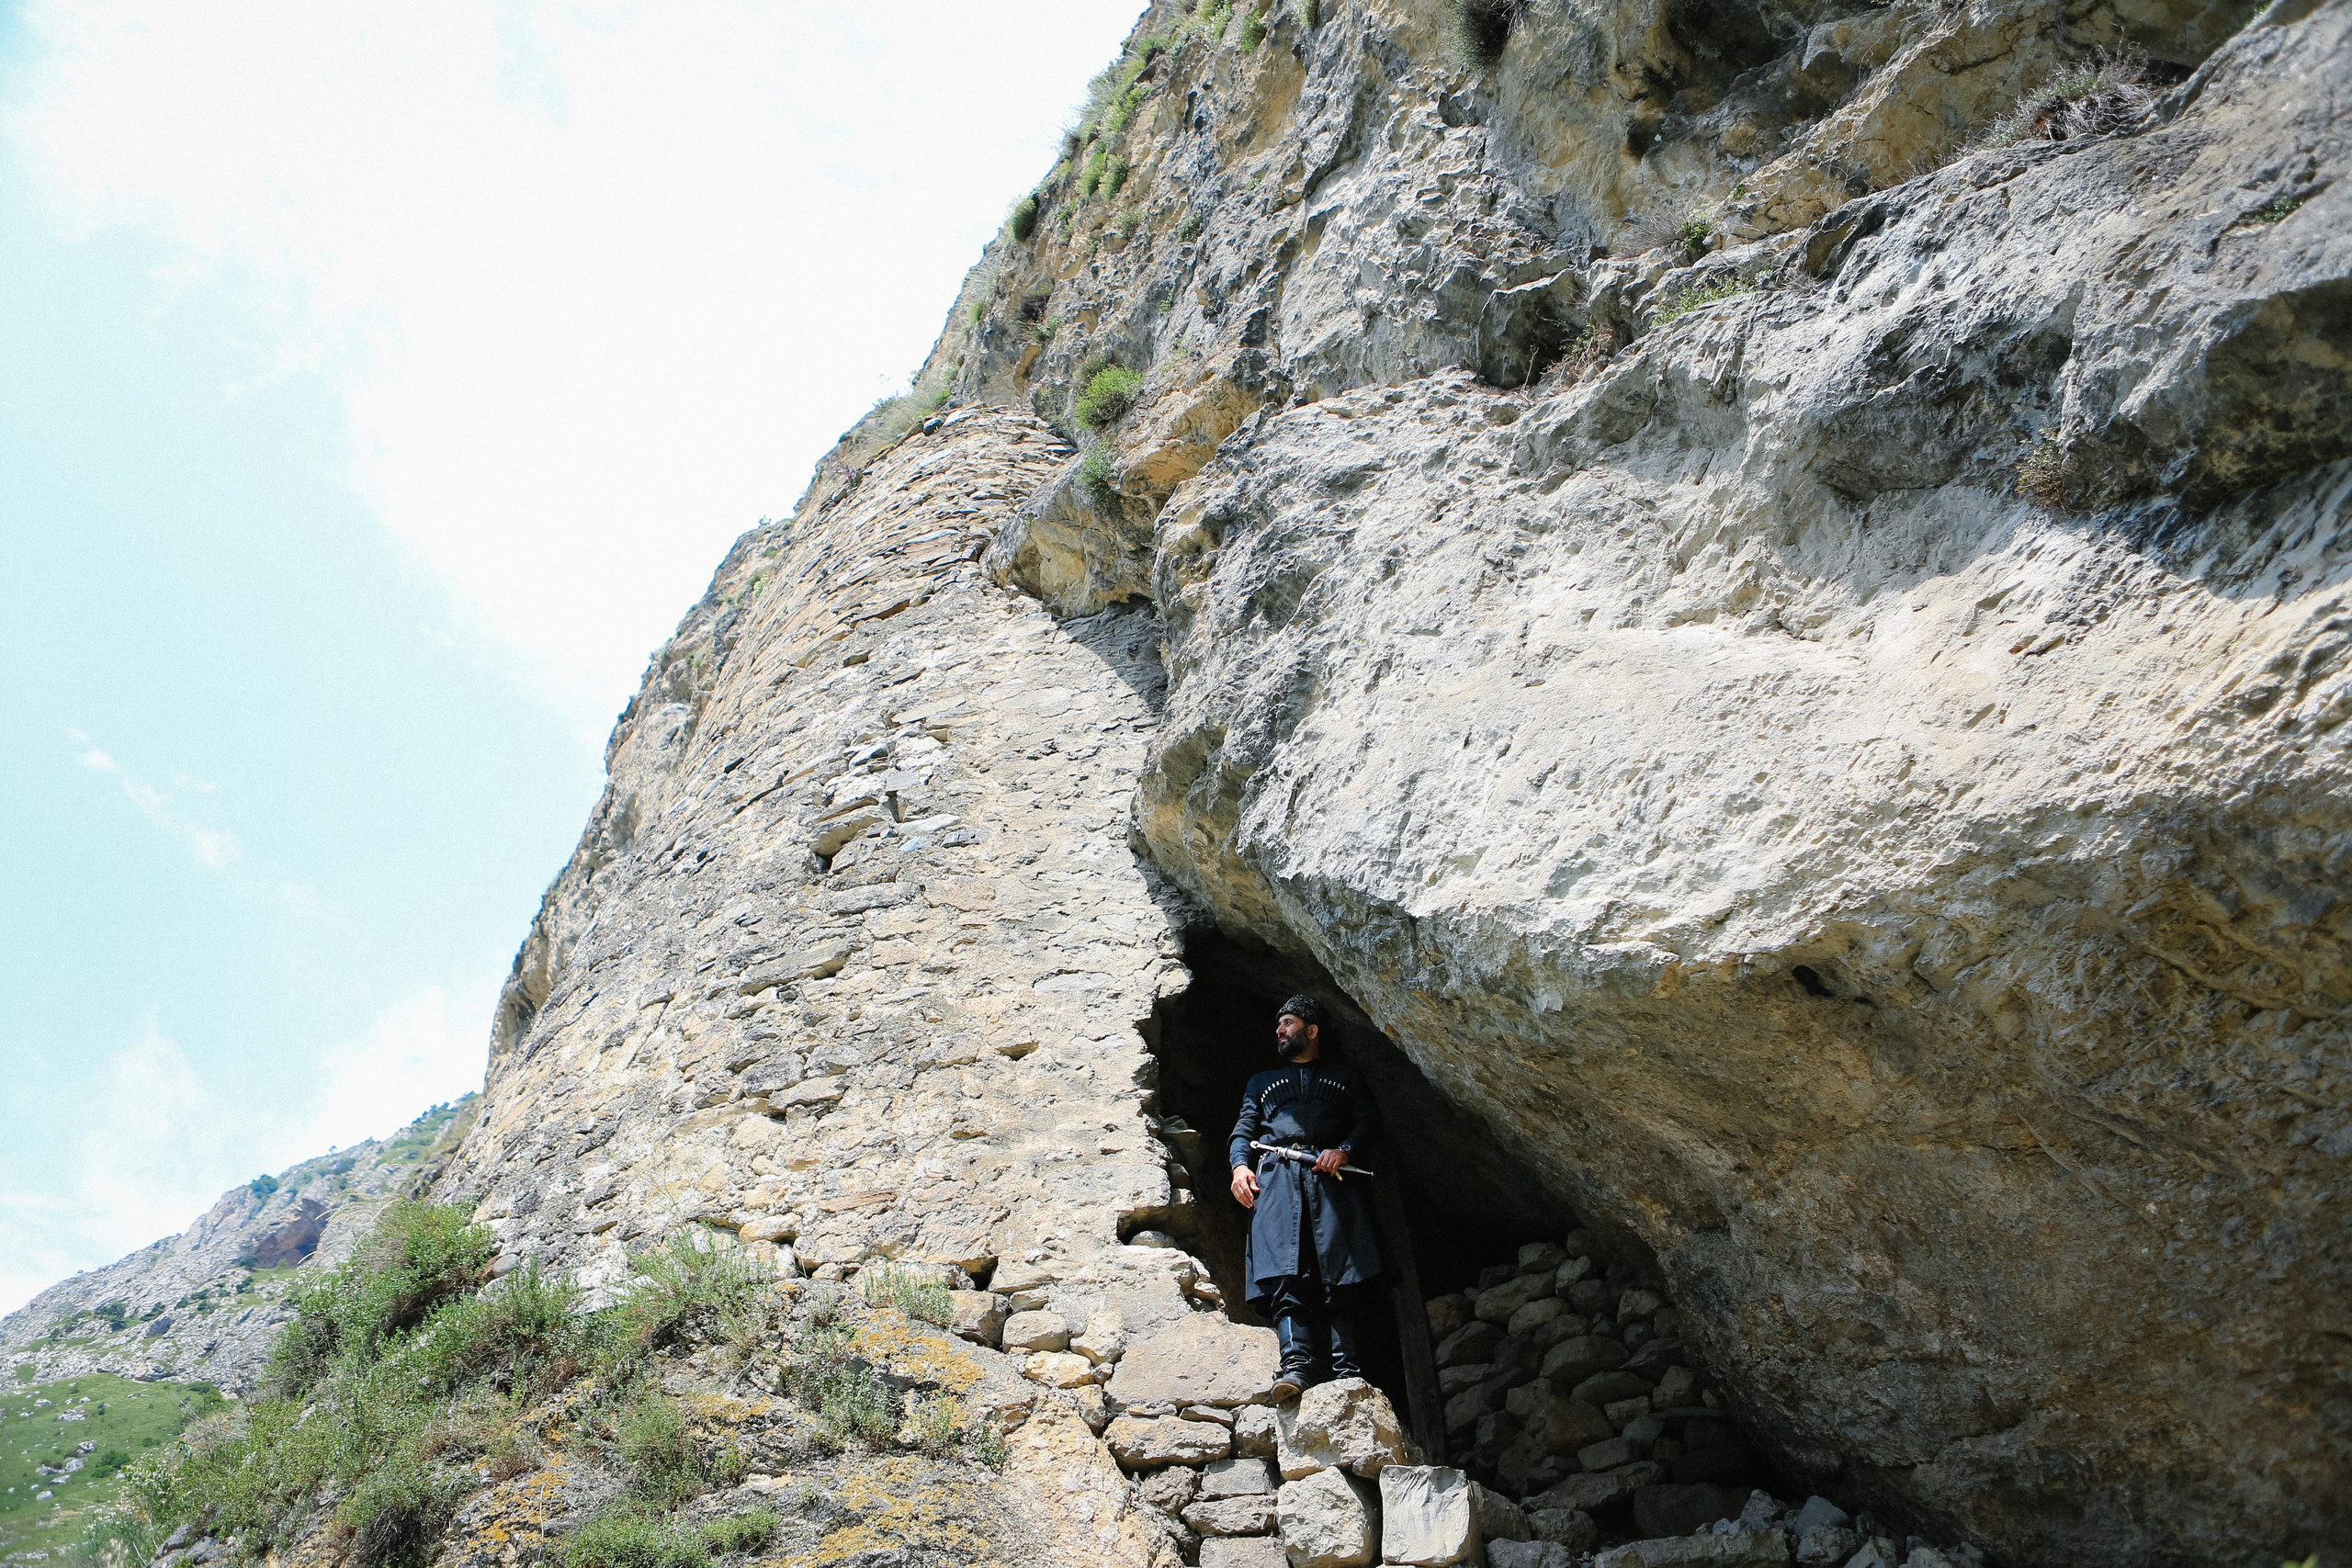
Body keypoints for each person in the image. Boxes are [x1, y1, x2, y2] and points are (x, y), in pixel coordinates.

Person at [1227, 993, 1385, 1400]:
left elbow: (1368, 1121)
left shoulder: (1345, 1077)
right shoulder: (1260, 1083)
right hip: (1277, 1182)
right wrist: (1240, 1167)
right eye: (1279, 1024)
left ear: (1311, 1031)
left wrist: (1345, 1149)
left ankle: (1347, 1372)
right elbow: (1244, 1131)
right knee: (1285, 1274)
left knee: (1341, 1275)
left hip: (1332, 1181)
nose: (1279, 1030)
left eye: (1289, 1023)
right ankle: (1295, 1369)